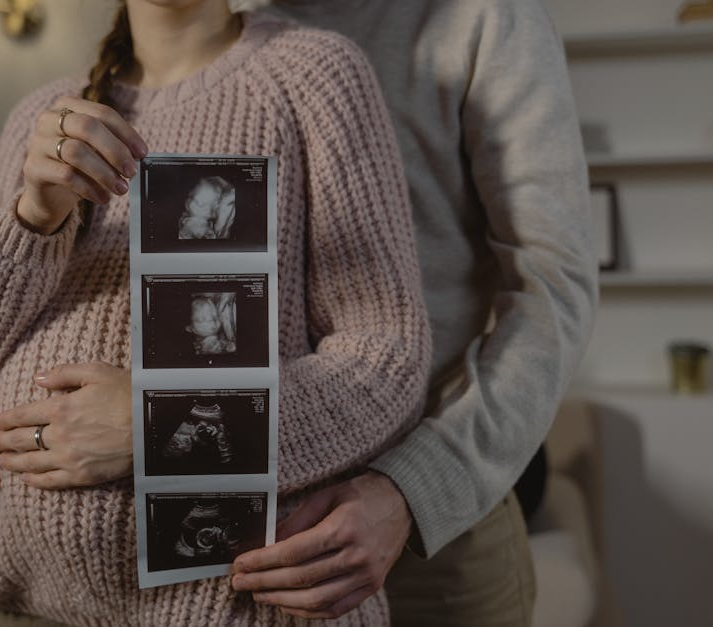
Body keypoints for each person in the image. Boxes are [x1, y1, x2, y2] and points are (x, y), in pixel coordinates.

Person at [0, 0, 431, 624]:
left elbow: (388, 356)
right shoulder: (48, 114)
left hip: (248, 609)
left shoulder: (312, 75)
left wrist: (161, 427)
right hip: (42, 606)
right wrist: (34, 215)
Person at [222, 0, 598, 625]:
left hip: (429, 532)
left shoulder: (486, 15)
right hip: (231, 531)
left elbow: (552, 289)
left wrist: (413, 489)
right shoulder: (205, 18)